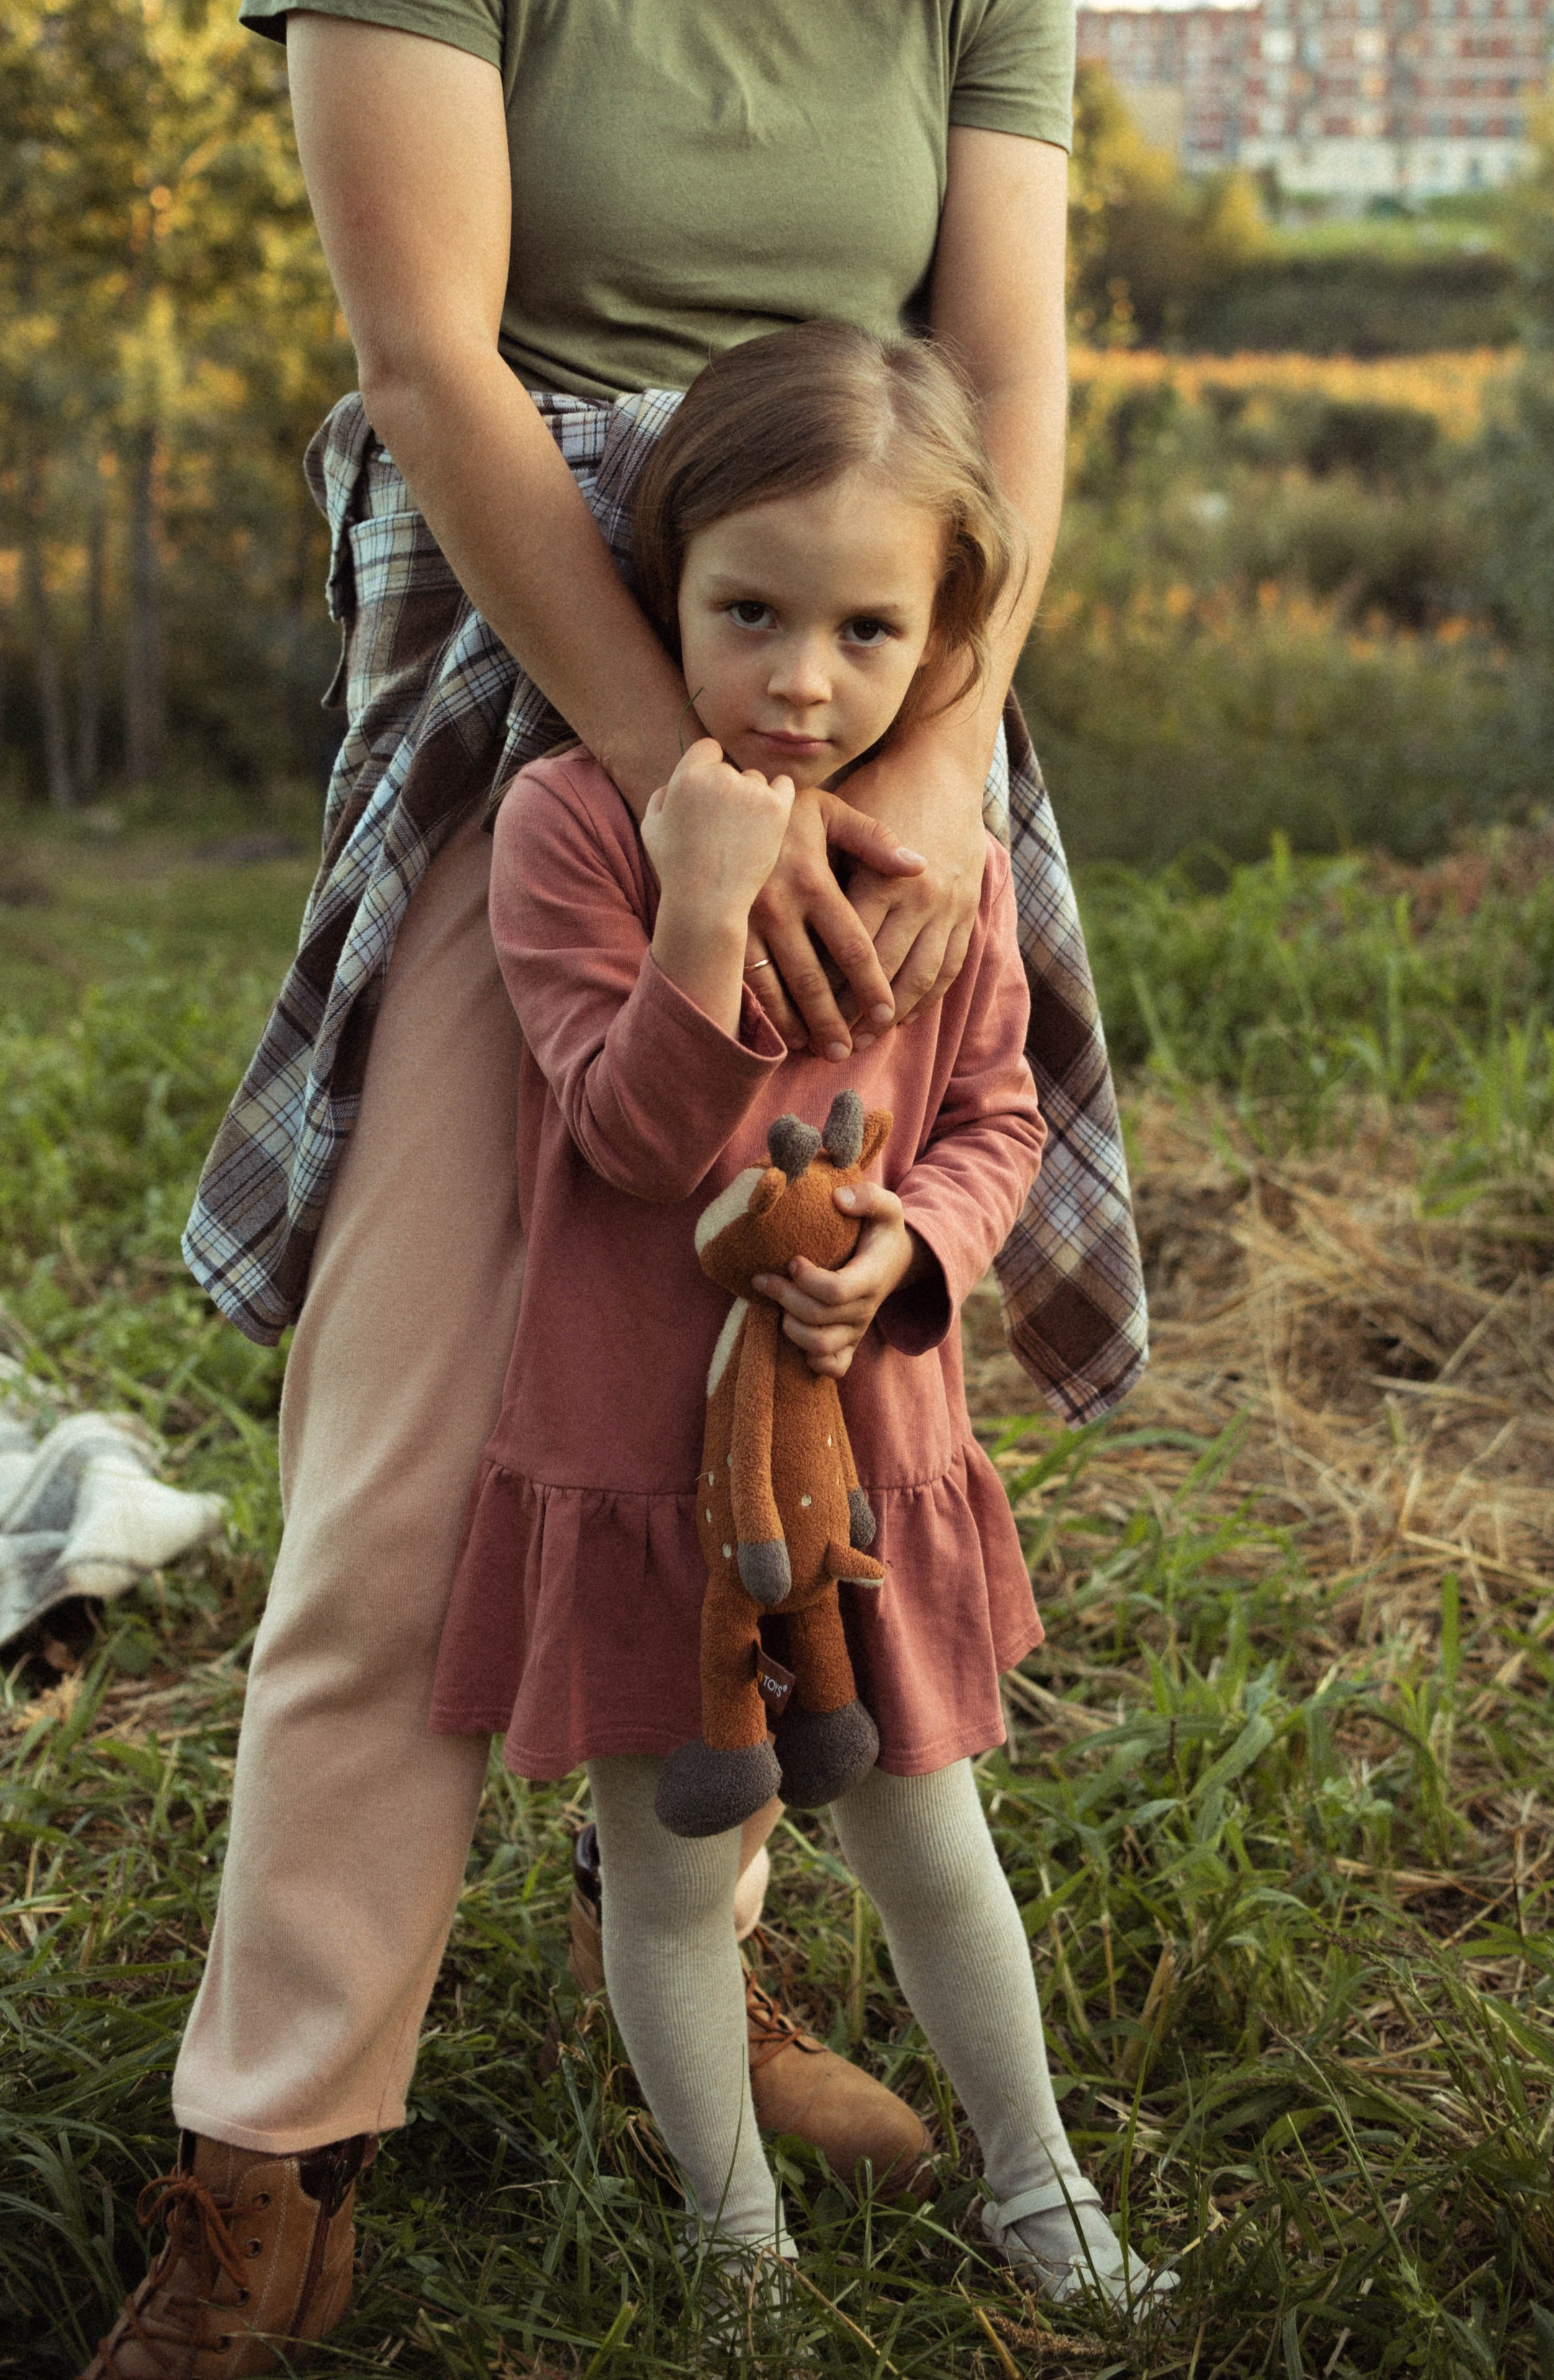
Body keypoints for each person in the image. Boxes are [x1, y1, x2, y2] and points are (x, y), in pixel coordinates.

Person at [81, 6, 1149, 2374]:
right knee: (400, 1477)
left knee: (771, 1422)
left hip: (858, 625)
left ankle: (675, 1912)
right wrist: (684, 788)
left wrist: (941, 758)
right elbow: (425, 355)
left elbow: (1002, 356)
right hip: (552, 632)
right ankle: (275, 2162)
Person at [428, 322, 1172, 2314]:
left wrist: (914, 1246)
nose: (801, 677)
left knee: (932, 1839)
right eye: (747, 611)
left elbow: (1006, 1109)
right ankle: (732, 2240)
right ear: (663, 585)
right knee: (673, 1879)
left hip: (863, 1459)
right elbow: (631, 1136)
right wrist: (696, 908)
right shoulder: (576, 829)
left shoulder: (946, 859)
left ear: (943, 641)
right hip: (636, 1465)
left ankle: (1037, 2180)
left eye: (865, 628)